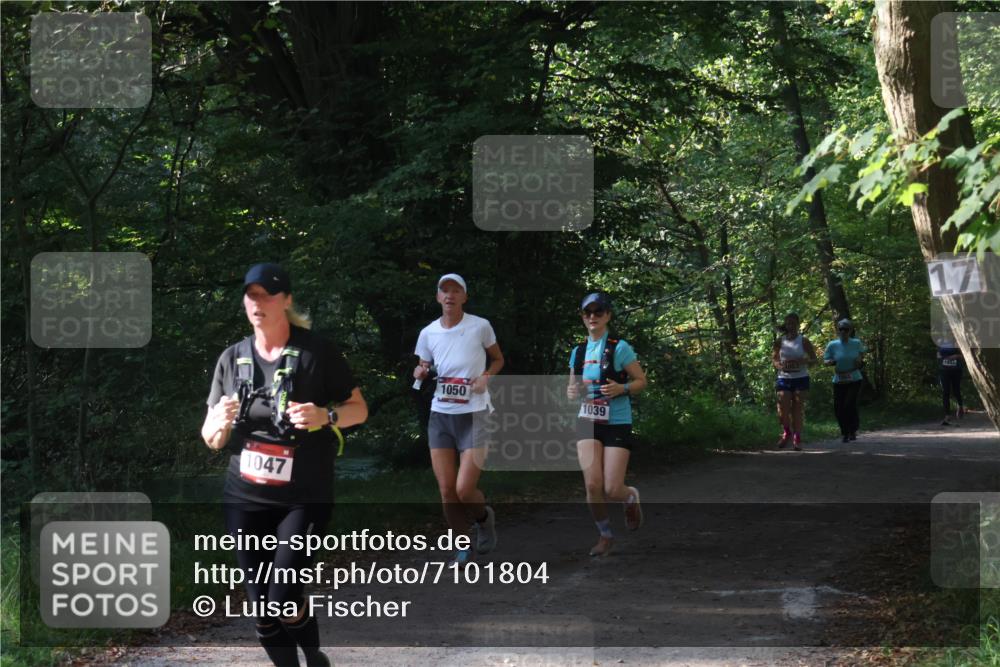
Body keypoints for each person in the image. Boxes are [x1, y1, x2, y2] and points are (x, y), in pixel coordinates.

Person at [201, 263, 368, 667]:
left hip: (304, 497)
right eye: (251, 295)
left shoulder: (317, 352)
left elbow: (359, 409)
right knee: (262, 608)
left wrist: (325, 417)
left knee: (284, 596)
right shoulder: (231, 358)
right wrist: (218, 425)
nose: (258, 303)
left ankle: (314, 657)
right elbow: (210, 437)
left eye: (268, 294)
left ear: (287, 300)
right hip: (244, 496)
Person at [413, 274, 504, 566]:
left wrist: (486, 377)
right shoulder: (428, 332)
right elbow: (424, 364)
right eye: (444, 291)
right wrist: (421, 371)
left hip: (475, 414)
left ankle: (483, 517)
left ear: (465, 297)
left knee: (465, 489)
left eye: (456, 291)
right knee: (447, 491)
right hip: (441, 416)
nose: (450, 295)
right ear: (438, 297)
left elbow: (498, 359)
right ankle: (462, 548)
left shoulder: (480, 326)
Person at [566, 292, 648, 557]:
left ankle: (629, 497)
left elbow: (641, 381)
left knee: (612, 488)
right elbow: (572, 387)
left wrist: (621, 387)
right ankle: (605, 535)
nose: (592, 317)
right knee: (592, 485)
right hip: (587, 419)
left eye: (598, 312)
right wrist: (571, 393)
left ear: (608, 316)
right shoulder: (577, 352)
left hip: (617, 421)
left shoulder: (619, 347)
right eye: (587, 313)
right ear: (582, 316)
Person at [772, 312, 817, 451]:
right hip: (784, 378)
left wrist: (805, 361)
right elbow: (774, 360)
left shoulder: (804, 341)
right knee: (782, 410)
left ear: (798, 325)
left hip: (801, 379)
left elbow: (815, 360)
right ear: (786, 325)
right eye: (788, 323)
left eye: (793, 323)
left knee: (797, 409)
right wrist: (781, 366)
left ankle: (797, 438)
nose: (790, 326)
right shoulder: (780, 341)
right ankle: (786, 432)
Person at [823, 318, 866, 443]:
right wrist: (830, 362)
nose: (843, 332)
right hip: (839, 379)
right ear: (837, 330)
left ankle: (852, 430)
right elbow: (826, 360)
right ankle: (845, 432)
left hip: (854, 378)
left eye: (846, 329)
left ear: (850, 331)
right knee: (838, 407)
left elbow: (861, 356)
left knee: (849, 404)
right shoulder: (832, 345)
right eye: (840, 329)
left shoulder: (856, 343)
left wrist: (859, 360)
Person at [937, 337, 965, 425]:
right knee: (946, 392)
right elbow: (938, 355)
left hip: (956, 370)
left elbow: (964, 354)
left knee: (956, 390)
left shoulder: (958, 342)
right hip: (944, 370)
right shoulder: (940, 341)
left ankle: (960, 406)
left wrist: (956, 356)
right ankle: (947, 416)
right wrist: (943, 357)